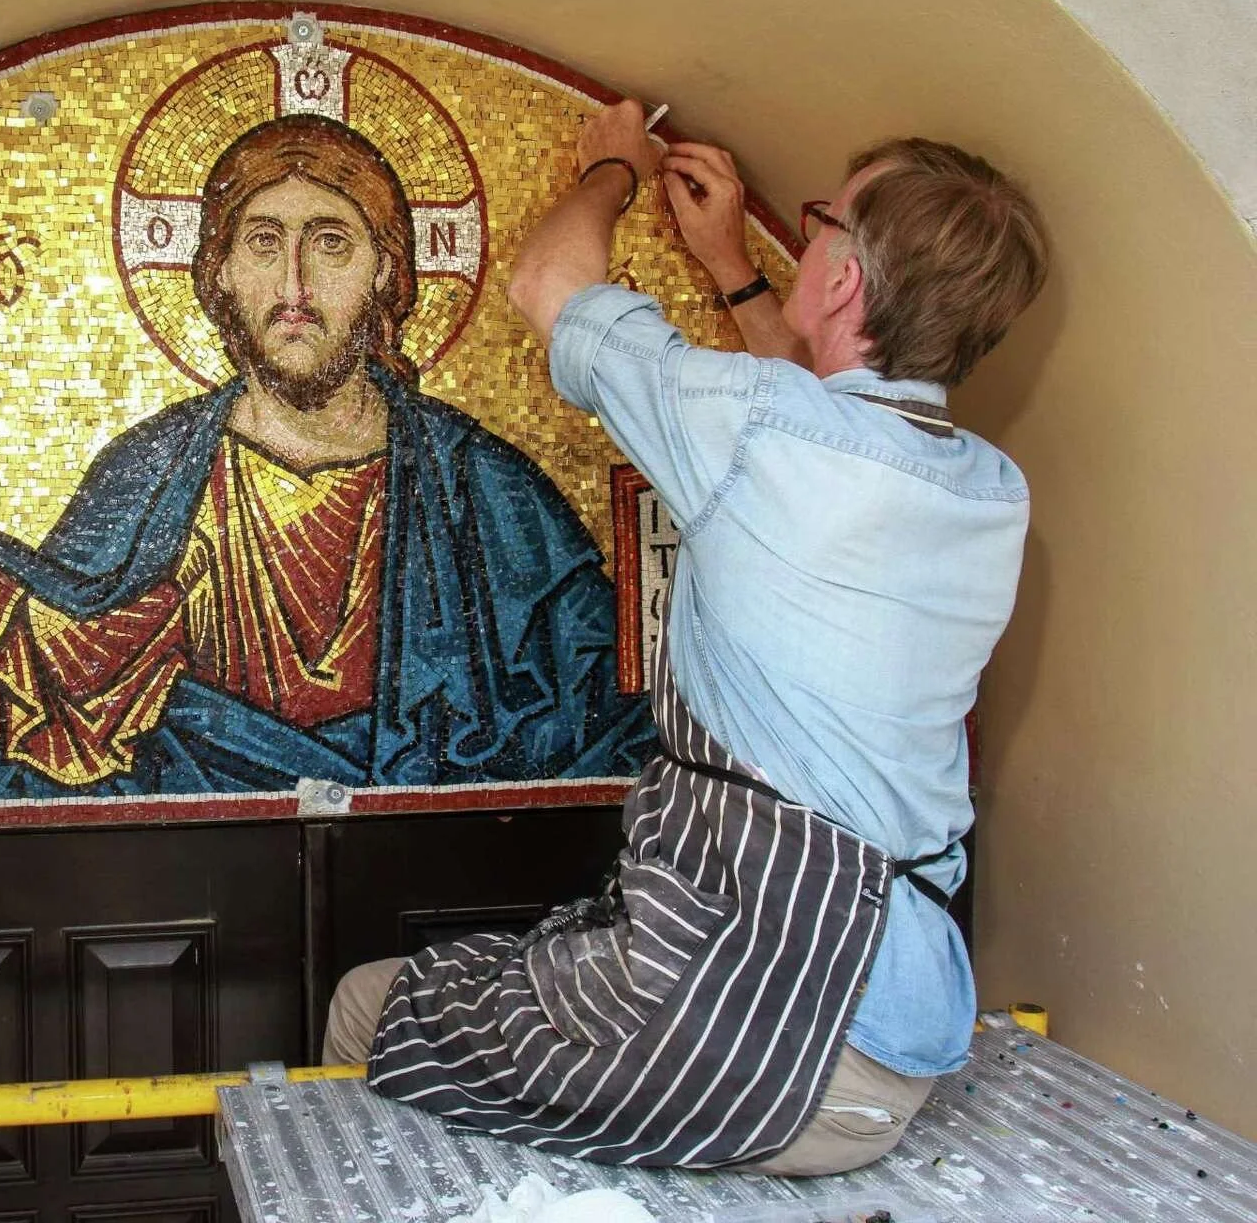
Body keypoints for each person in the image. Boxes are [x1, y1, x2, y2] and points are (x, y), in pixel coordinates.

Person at [332, 100, 1047, 1177]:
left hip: (756, 1037)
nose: (805, 239)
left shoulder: (757, 425)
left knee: (369, 1006)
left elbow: (547, 288)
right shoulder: (992, 489)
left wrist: (611, 173)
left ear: (846, 278)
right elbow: (830, 420)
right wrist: (731, 265)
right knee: (536, 965)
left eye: (823, 225)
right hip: (893, 1049)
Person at [0, 113, 654, 800]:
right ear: (217, 272)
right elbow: (51, 662)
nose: (294, 285)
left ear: (386, 271)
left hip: (432, 890)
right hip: (188, 893)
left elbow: (611, 700)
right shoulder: (154, 473)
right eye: (264, 243)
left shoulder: (483, 490)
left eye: (330, 243)